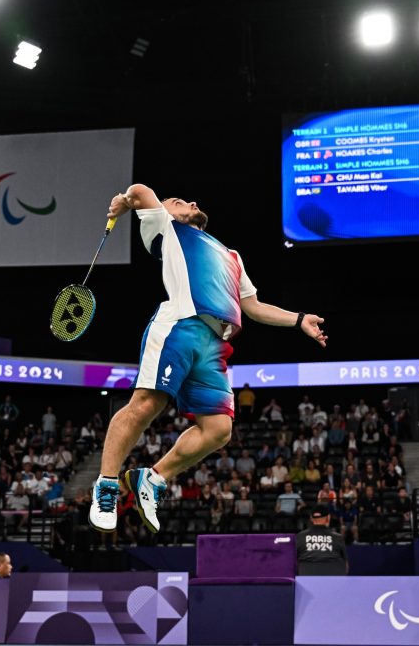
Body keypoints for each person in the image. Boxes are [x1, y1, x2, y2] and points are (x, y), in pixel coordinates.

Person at [89, 184, 327, 533]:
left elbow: (252, 306)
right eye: (179, 201)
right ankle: (107, 485)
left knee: (218, 429)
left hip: (215, 343)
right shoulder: (167, 231)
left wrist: (298, 318)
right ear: (165, 212)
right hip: (180, 327)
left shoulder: (231, 255)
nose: (191, 202)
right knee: (145, 404)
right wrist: (124, 203)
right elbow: (141, 191)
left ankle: (153, 479)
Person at [296, 507, 348, 576]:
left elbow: (294, 562)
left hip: (306, 578)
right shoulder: (338, 537)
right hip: (334, 579)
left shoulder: (300, 536)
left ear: (311, 518)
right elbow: (346, 566)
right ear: (328, 518)